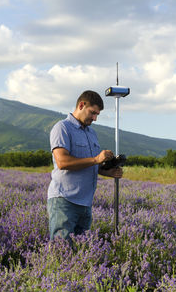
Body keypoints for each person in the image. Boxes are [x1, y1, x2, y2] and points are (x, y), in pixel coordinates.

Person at [47, 90, 123, 242]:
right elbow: (62, 162)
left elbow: (91, 164)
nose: (94, 118)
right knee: (62, 250)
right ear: (81, 105)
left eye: (97, 115)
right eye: (92, 113)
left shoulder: (91, 133)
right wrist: (96, 159)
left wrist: (109, 171)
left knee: (81, 251)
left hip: (85, 203)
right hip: (65, 201)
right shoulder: (62, 128)